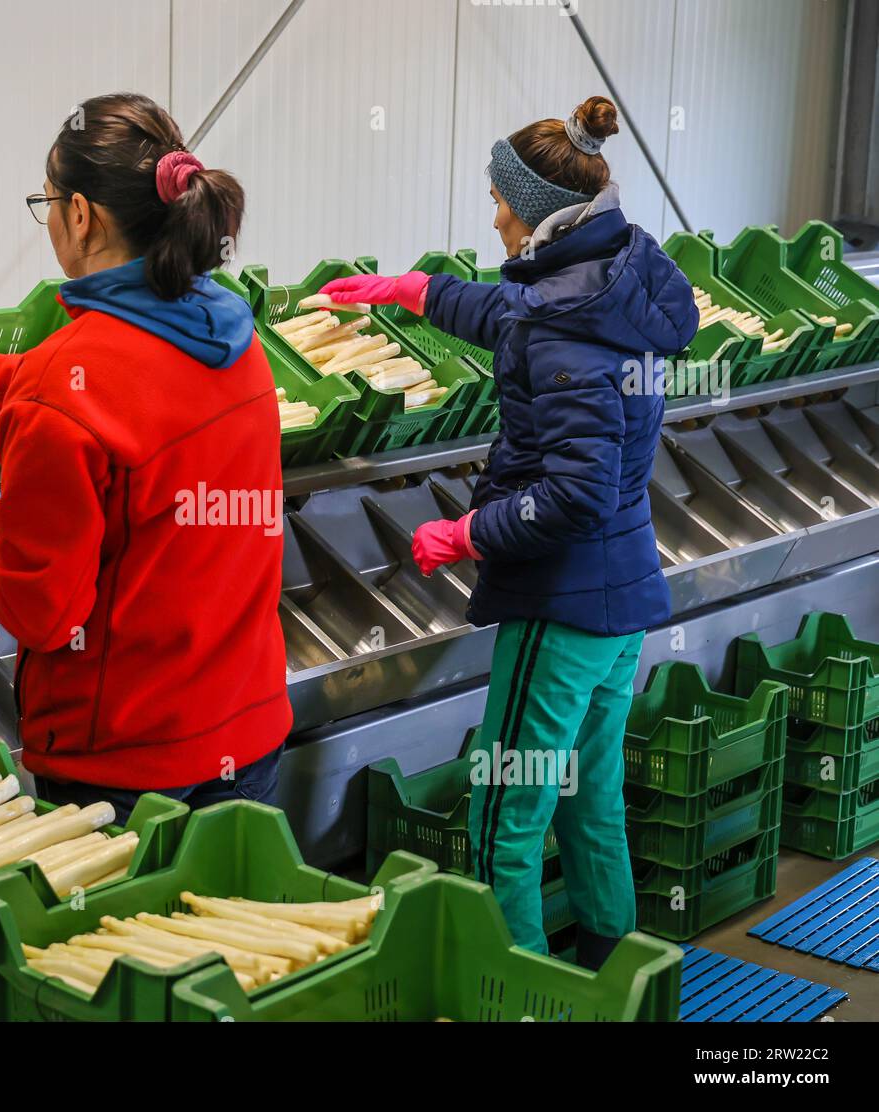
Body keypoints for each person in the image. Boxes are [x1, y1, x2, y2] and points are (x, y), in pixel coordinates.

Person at [0, 93, 291, 822]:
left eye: (47, 202)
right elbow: (69, 388)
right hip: (249, 735)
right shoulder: (235, 340)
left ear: (81, 215)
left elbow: (40, 610)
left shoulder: (70, 380)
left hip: (126, 768)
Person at [320, 96, 699, 968]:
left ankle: (522, 992)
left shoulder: (569, 321)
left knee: (506, 811)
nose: (491, 215)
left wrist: (469, 534)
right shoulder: (615, 275)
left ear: (532, 209)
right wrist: (415, 292)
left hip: (563, 603)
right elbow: (516, 319)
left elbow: (573, 493)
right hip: (623, 594)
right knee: (589, 794)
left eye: (497, 199)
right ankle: (612, 974)